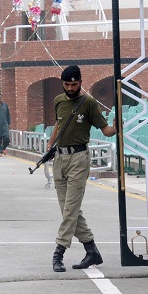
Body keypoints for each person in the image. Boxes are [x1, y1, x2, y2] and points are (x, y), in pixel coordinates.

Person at [46, 65, 116, 273]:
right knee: (69, 210)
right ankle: (91, 250)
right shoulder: (58, 100)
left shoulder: (89, 103)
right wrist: (50, 146)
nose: (70, 88)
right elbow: (59, 125)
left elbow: (106, 131)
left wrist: (117, 126)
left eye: (74, 84)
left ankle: (59, 252)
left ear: (81, 83)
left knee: (70, 210)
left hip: (78, 159)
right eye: (66, 84)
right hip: (60, 158)